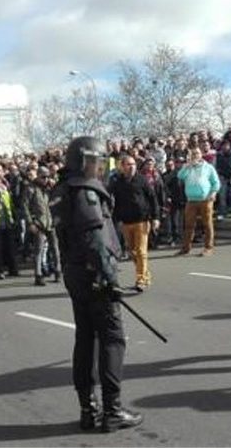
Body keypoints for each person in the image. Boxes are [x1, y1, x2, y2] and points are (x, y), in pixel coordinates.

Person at [50, 136, 143, 433]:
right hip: (94, 275)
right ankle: (112, 411)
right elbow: (95, 238)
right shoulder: (85, 191)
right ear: (83, 161)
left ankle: (88, 410)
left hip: (75, 273)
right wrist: (109, 277)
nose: (99, 168)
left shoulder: (61, 189)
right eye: (95, 161)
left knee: (86, 339)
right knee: (113, 340)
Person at [107, 155, 159, 292]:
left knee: (141, 251)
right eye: (128, 164)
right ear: (122, 166)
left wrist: (155, 217)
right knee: (133, 252)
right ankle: (145, 274)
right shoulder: (117, 182)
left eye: (133, 164)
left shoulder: (142, 180)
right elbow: (109, 196)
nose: (132, 167)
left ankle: (140, 279)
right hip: (126, 222)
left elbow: (152, 198)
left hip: (142, 221)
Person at [176, 147, 220, 256]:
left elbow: (216, 182)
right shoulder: (188, 167)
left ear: (201, 154)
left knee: (207, 224)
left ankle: (208, 247)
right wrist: (188, 165)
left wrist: (213, 193)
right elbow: (180, 176)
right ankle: (186, 248)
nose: (195, 155)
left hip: (206, 199)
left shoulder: (208, 167)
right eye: (193, 153)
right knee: (189, 225)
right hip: (191, 200)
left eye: (197, 153)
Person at [22, 166, 60, 286]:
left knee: (55, 248)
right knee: (38, 250)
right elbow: (25, 206)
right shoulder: (30, 189)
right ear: (38, 176)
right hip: (38, 223)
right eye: (43, 177)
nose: (46, 179)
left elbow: (58, 199)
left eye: (48, 176)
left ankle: (58, 271)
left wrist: (54, 187)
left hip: (51, 222)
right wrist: (30, 223)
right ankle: (38, 275)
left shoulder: (49, 188)